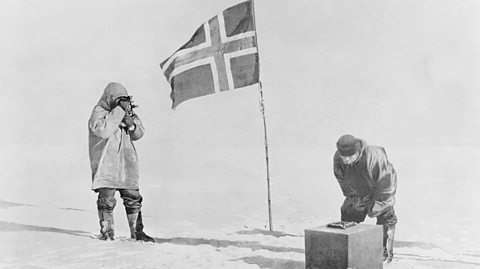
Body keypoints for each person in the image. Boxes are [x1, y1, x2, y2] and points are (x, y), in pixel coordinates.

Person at [88, 82, 154, 242]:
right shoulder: (99, 112)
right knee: (107, 200)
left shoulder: (126, 112)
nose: (123, 102)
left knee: (133, 197)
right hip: (106, 163)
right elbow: (103, 130)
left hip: (126, 162)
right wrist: (119, 110)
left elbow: (139, 133)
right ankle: (107, 232)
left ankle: (137, 231)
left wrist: (131, 126)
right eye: (119, 99)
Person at [333, 134, 397, 262]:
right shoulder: (338, 158)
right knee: (348, 212)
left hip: (380, 186)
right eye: (343, 157)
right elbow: (342, 180)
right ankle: (351, 248)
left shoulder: (375, 157)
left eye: (350, 157)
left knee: (386, 216)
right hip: (359, 189)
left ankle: (385, 254)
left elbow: (386, 183)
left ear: (357, 152)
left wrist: (380, 203)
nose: (346, 160)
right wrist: (353, 198)